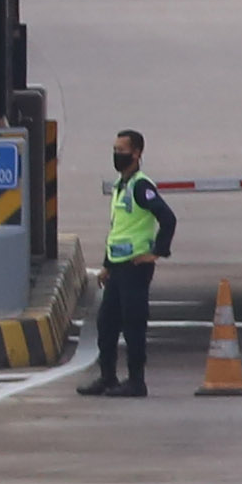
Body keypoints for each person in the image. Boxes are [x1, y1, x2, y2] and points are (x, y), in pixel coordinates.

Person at [84, 129, 174, 395]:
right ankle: (108, 377)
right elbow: (118, 229)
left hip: (135, 267)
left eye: (121, 151)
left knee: (133, 324)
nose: (117, 155)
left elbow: (168, 218)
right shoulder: (119, 186)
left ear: (137, 154)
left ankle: (137, 381)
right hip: (117, 266)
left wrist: (157, 252)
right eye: (115, 150)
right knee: (106, 323)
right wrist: (106, 265)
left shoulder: (141, 186)